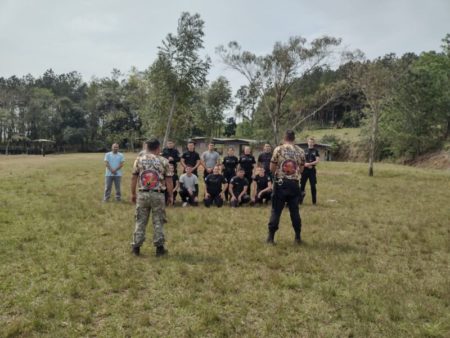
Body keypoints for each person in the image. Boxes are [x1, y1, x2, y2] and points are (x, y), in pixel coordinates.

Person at [130, 138, 173, 257]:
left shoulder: (138, 160)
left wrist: (133, 193)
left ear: (146, 147)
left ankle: (136, 248)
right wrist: (171, 195)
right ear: (158, 148)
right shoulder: (164, 161)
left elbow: (134, 178)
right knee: (158, 221)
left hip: (142, 194)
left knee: (140, 221)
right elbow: (169, 180)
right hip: (158, 194)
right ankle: (159, 249)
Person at [267, 130, 305, 244]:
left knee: (276, 211)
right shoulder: (300, 151)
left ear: (284, 138)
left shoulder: (279, 149)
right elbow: (302, 169)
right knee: (295, 211)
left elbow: (272, 167)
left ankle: (270, 238)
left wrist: (277, 175)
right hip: (294, 184)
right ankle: (297, 237)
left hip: (280, 183)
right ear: (294, 138)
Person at [300, 137, 320, 205]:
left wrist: (310, 164)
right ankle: (300, 201)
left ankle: (314, 202)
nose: (310, 143)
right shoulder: (304, 150)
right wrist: (305, 164)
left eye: (312, 142)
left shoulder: (316, 151)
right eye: (309, 142)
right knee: (302, 185)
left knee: (313, 186)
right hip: (304, 170)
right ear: (307, 142)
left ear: (314, 143)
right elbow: (301, 159)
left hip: (312, 171)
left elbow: (317, 161)